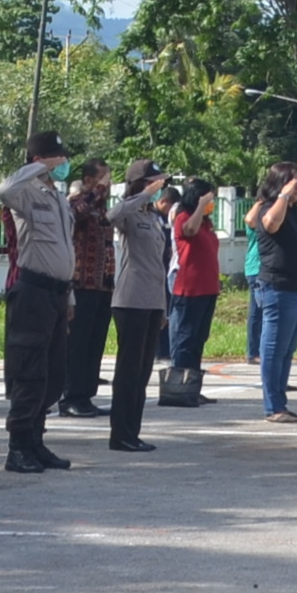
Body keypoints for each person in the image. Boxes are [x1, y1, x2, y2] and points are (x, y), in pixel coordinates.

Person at [0, 131, 80, 473]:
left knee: (52, 373)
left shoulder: (58, 197)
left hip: (58, 292)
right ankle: (18, 446)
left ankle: (36, 440)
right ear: (42, 160)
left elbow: (65, 249)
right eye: (57, 158)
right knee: (29, 372)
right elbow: (3, 191)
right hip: (31, 291)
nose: (64, 164)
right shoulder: (26, 192)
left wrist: (70, 293)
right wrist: (35, 167)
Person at [105, 162, 171, 452]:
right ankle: (120, 433)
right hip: (131, 300)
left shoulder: (153, 217)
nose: (159, 187)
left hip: (152, 301)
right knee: (129, 372)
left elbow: (159, 265)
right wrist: (143, 195)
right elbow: (112, 215)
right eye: (154, 182)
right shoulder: (131, 211)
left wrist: (163, 307)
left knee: (142, 372)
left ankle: (133, 430)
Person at [249, 162, 297, 423]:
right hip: (277, 287)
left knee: (287, 350)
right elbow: (270, 224)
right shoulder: (269, 209)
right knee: (274, 350)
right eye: (291, 184)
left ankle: (280, 403)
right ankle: (273, 406)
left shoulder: (296, 214)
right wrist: (284, 196)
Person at [60, 155, 116, 420]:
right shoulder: (77, 201)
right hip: (82, 284)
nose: (108, 183)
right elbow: (74, 215)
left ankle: (86, 395)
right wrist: (97, 191)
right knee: (77, 344)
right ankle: (71, 396)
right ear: (89, 179)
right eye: (103, 177)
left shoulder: (101, 209)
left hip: (102, 286)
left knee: (95, 343)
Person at [161, 181, 222, 408]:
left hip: (208, 288)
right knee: (184, 338)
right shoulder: (183, 217)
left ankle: (193, 386)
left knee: (198, 339)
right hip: (189, 287)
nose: (211, 204)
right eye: (208, 199)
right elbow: (189, 231)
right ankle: (178, 387)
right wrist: (200, 206)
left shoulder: (206, 224)